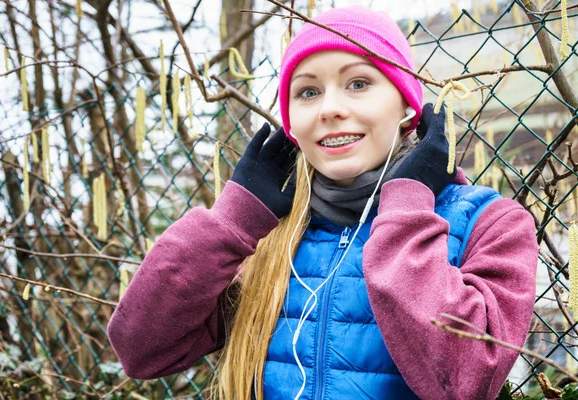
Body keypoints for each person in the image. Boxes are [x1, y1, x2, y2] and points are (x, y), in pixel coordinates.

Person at [107, 6, 538, 400]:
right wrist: (233, 219)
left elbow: (466, 381)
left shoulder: (491, 223)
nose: (329, 108)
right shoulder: (268, 238)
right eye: (308, 92)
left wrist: (405, 209)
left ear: (409, 106)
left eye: (358, 83)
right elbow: (142, 350)